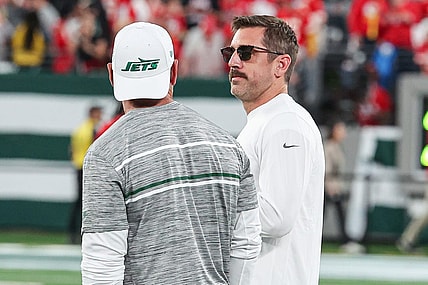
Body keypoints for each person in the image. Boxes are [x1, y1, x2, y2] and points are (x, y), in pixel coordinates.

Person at [81, 22, 262, 284]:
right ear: (174, 71)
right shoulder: (229, 147)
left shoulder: (105, 154)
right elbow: (246, 245)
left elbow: (102, 265)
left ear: (111, 74)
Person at [221, 15, 325, 284]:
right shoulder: (268, 120)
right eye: (230, 52)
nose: (233, 62)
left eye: (246, 53)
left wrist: (208, 199)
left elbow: (277, 217)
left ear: (281, 64)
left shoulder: (285, 123)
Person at [323, 118, 365, 254]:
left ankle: (346, 240)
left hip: (335, 186)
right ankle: (345, 241)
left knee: (338, 214)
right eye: (341, 129)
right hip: (329, 187)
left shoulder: (337, 146)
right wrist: (330, 187)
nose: (344, 133)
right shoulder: (329, 146)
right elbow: (327, 170)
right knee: (325, 215)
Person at [69, 105, 103, 244]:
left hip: (78, 166)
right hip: (88, 168)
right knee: (89, 202)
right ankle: (84, 233)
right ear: (93, 114)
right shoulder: (94, 129)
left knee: (79, 202)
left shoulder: (79, 129)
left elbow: (71, 150)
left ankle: (72, 232)